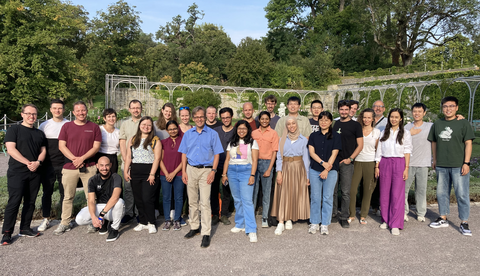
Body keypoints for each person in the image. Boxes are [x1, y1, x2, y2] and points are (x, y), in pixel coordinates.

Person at [428, 96, 474, 236]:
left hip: (458, 165)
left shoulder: (463, 123)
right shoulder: (437, 124)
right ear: (442, 108)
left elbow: (468, 143)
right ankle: (443, 217)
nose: (448, 109)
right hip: (442, 164)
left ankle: (464, 221)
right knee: (441, 193)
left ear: (457, 108)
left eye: (451, 106)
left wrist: (466, 162)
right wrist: (434, 159)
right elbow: (434, 142)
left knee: (461, 194)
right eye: (445, 106)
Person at [54, 101, 102, 235]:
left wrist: (82, 159)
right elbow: (61, 146)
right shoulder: (66, 126)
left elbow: (96, 147)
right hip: (70, 167)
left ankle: (94, 221)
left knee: (91, 196)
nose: (81, 113)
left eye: (83, 110)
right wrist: (75, 159)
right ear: (73, 113)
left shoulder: (94, 127)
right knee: (68, 196)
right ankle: (65, 223)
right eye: (78, 111)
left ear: (87, 111)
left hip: (89, 167)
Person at [1, 104, 47, 245]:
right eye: (28, 113)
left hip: (35, 172)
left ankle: (25, 228)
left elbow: (43, 150)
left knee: (30, 201)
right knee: (14, 201)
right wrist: (28, 162)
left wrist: (38, 162)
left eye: (33, 114)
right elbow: (11, 149)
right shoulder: (14, 130)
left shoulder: (39, 133)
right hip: (17, 172)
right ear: (22, 114)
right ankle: (7, 233)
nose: (31, 116)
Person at [178, 106, 223, 248]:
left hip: (206, 170)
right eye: (196, 117)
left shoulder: (212, 134)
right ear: (193, 118)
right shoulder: (188, 134)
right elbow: (184, 153)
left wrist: (213, 171)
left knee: (205, 202)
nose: (199, 119)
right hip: (191, 169)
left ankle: (206, 233)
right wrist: (184, 171)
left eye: (201, 117)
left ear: (205, 117)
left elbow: (217, 154)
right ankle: (194, 227)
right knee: (192, 201)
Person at [375, 108, 412, 236]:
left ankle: (395, 223)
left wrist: (406, 168)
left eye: (396, 117)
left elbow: (407, 151)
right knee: (384, 193)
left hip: (399, 163)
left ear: (401, 118)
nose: (394, 119)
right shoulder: (384, 132)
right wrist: (377, 166)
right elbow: (379, 150)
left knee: (397, 194)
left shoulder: (405, 133)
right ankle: (385, 219)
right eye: (392, 117)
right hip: (385, 162)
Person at [271, 116, 310, 235]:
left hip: (298, 168)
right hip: (285, 167)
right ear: (286, 126)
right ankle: (281, 222)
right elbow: (279, 157)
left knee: (293, 193)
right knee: (284, 192)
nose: (291, 126)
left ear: (296, 124)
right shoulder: (282, 140)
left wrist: (307, 175)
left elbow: (306, 158)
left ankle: (289, 218)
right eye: (289, 124)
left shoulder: (303, 140)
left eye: (293, 123)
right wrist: (279, 172)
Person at [222, 120, 259, 243]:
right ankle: (240, 223)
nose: (241, 130)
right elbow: (227, 159)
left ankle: (251, 229)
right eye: (239, 128)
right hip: (232, 171)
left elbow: (254, 160)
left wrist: (252, 175)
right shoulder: (232, 143)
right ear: (236, 130)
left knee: (247, 200)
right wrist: (224, 174)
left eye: (244, 128)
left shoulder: (252, 143)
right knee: (237, 199)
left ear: (248, 130)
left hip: (246, 171)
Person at [124, 116, 161, 234]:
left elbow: (157, 159)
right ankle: (143, 222)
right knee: (138, 198)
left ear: (152, 127)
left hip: (149, 171)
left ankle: (151, 222)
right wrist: (126, 170)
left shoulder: (155, 140)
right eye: (144, 124)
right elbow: (129, 156)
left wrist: (152, 174)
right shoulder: (133, 139)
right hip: (135, 171)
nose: (146, 127)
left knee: (147, 198)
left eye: (149, 125)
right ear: (140, 125)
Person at [75, 156, 125, 242]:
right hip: (100, 207)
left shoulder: (116, 177)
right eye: (101, 165)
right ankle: (102, 223)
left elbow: (115, 197)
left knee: (120, 202)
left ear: (111, 165)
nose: (104, 168)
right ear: (97, 166)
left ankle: (114, 229)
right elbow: (91, 201)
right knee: (79, 219)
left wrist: (101, 215)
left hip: (113, 209)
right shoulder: (92, 180)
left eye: (107, 165)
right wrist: (94, 217)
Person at [308, 111, 341, 235]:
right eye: (321, 120)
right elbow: (312, 152)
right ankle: (315, 222)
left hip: (331, 171)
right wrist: (323, 164)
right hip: (315, 169)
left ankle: (325, 223)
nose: (323, 122)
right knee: (315, 197)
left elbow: (334, 153)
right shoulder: (313, 136)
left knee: (327, 197)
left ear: (331, 122)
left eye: (326, 120)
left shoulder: (336, 136)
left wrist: (327, 169)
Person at [38, 99, 69, 231]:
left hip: (65, 164)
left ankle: (64, 220)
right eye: (55, 108)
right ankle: (46, 219)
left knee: (65, 193)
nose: (57, 110)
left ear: (63, 110)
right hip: (48, 165)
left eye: (60, 108)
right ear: (50, 110)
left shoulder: (69, 124)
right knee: (47, 192)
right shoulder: (44, 126)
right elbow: (40, 146)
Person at [332, 100, 363, 228]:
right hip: (333, 162)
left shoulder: (356, 126)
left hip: (347, 163)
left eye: (346, 109)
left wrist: (350, 158)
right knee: (333, 191)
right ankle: (333, 214)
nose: (344, 112)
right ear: (338, 110)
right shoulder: (334, 123)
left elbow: (360, 145)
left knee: (345, 191)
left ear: (350, 110)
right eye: (341, 110)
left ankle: (344, 216)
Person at [348, 108, 380, 225]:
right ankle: (351, 214)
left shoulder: (376, 132)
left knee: (368, 190)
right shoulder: (357, 130)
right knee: (352, 189)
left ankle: (363, 215)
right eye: (364, 117)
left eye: (368, 117)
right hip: (357, 162)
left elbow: (378, 150)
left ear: (373, 119)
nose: (366, 119)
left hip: (370, 162)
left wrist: (377, 165)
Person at [403, 103, 432, 223]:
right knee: (404, 189)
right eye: (415, 111)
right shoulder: (406, 127)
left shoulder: (430, 126)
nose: (417, 113)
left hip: (423, 163)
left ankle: (421, 213)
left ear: (424, 113)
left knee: (421, 189)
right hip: (408, 163)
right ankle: (403, 211)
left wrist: (458, 117)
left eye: (420, 111)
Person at [252, 111, 279, 228]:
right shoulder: (253, 133)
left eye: (266, 119)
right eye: (262, 119)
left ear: (269, 120)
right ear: (259, 120)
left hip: (267, 163)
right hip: (255, 163)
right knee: (253, 191)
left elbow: (274, 152)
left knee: (266, 192)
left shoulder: (273, 133)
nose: (264, 121)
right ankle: (251, 215)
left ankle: (265, 217)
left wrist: (270, 168)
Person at [119, 99, 143, 224]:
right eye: (133, 108)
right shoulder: (124, 124)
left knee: (139, 188)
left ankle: (139, 213)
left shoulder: (145, 122)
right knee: (128, 188)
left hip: (142, 161)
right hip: (127, 160)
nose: (135, 110)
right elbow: (122, 141)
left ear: (141, 109)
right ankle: (129, 212)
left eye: (138, 107)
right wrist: (125, 158)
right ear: (129, 109)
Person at [159, 120, 184, 231]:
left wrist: (173, 173)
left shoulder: (183, 141)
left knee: (178, 197)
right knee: (166, 198)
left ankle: (177, 219)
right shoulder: (163, 142)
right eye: (170, 129)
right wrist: (167, 173)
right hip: (165, 174)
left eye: (174, 128)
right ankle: (167, 220)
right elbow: (159, 159)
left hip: (179, 174)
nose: (173, 131)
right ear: (167, 130)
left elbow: (184, 160)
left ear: (178, 129)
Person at [213, 107, 236, 225]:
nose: (226, 120)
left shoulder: (236, 131)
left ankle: (225, 214)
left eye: (227, 117)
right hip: (215, 165)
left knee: (226, 191)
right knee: (214, 190)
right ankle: (216, 214)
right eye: (223, 118)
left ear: (232, 117)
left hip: (230, 166)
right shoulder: (215, 131)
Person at [370, 100, 387, 216]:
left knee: (381, 181)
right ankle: (371, 205)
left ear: (384, 109)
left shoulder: (387, 122)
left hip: (381, 155)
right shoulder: (368, 119)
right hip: (369, 154)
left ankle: (379, 205)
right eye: (375, 106)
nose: (378, 108)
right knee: (368, 181)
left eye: (380, 107)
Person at [96, 108, 120, 174]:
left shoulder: (118, 132)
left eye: (113, 116)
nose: (111, 119)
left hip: (113, 158)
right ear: (104, 118)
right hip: (101, 156)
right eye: (109, 116)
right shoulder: (100, 130)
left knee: (112, 180)